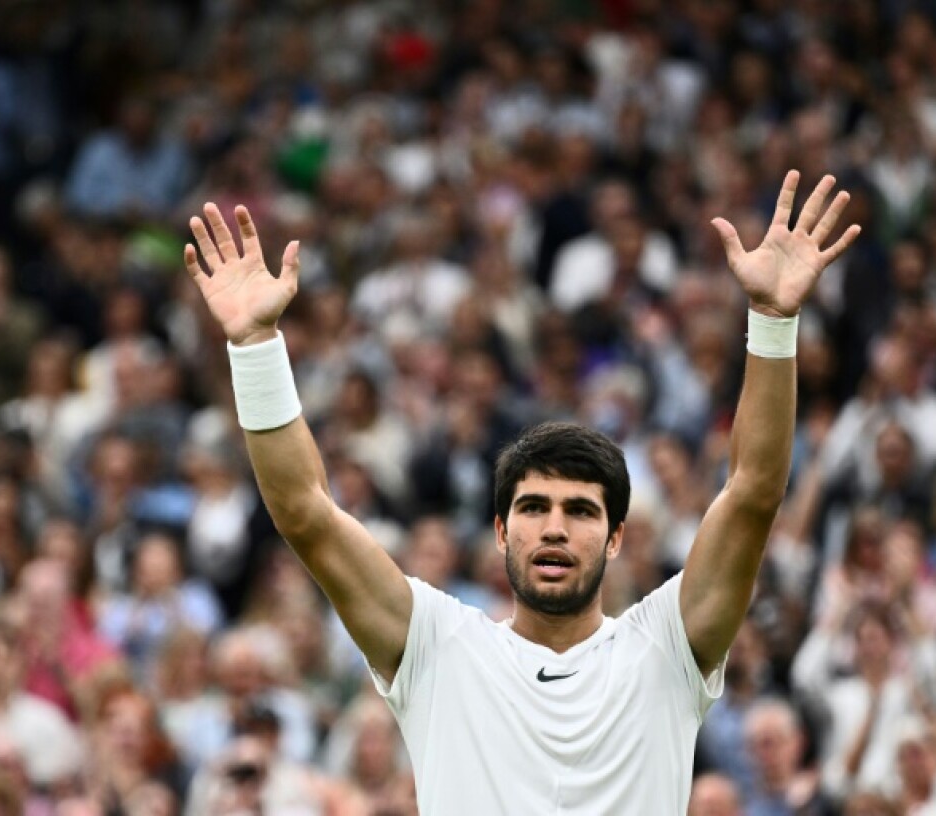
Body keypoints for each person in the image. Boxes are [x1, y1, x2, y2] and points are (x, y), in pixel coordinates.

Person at [182, 169, 861, 814]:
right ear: (502, 533)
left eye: (581, 511)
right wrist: (256, 345)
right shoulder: (437, 645)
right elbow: (304, 512)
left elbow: (752, 493)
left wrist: (773, 321)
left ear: (618, 536)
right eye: (533, 508)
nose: (555, 528)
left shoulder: (668, 646)